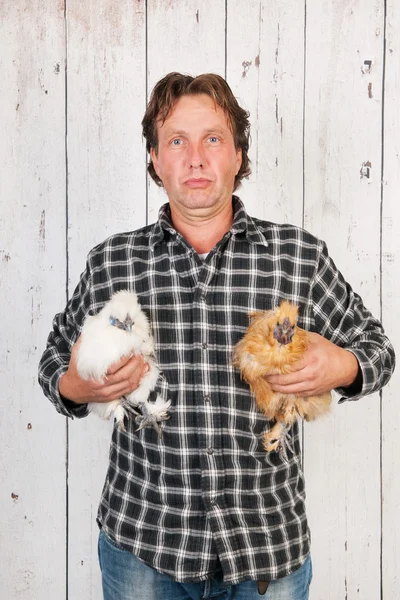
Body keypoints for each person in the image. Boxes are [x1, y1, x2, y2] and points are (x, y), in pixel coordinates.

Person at [38, 72, 395, 600]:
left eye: (213, 139)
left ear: (237, 155)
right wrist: (78, 387)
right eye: (176, 141)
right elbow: (51, 366)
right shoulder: (111, 262)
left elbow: (378, 350)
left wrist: (341, 366)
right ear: (156, 160)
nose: (196, 158)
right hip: (143, 550)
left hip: (266, 555)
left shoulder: (298, 257)